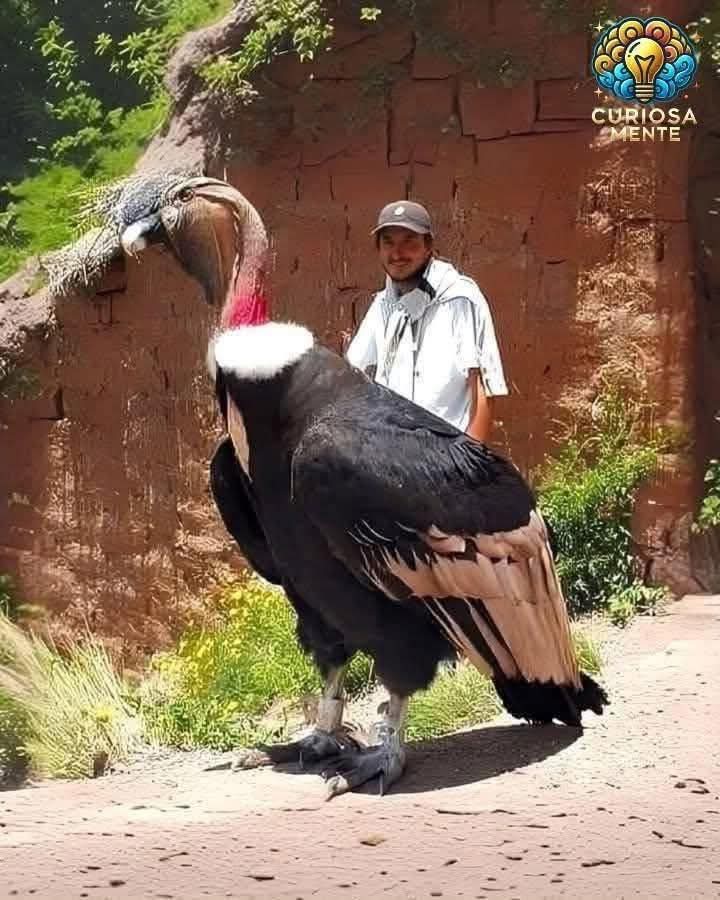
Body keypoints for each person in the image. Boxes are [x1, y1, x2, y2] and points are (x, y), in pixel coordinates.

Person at [345, 200, 508, 443]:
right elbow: (354, 372)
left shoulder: (459, 298)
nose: (397, 253)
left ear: (428, 246)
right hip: (396, 456)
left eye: (409, 241)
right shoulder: (384, 303)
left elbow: (483, 388)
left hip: (445, 458)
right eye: (388, 242)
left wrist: (470, 463)